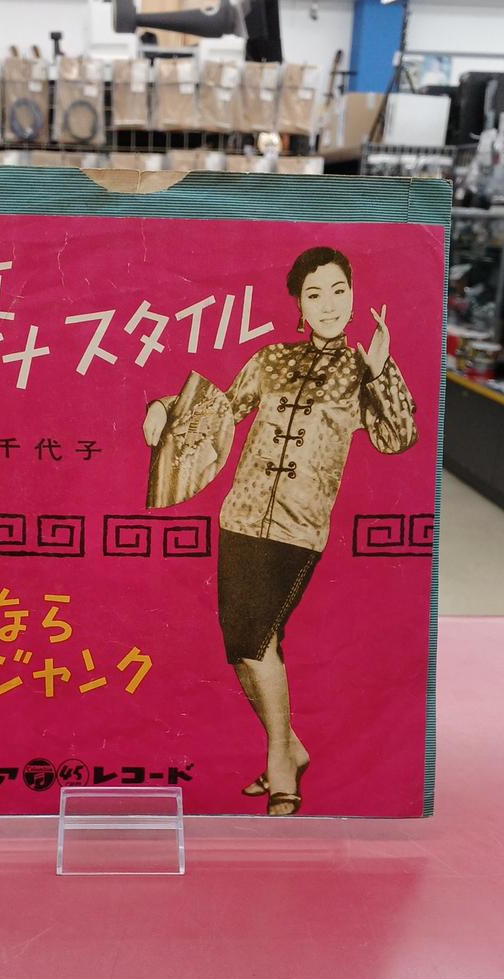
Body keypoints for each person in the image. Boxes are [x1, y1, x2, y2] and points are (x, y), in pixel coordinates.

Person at [143, 246, 417, 815]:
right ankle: (290, 744)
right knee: (240, 648)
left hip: (298, 527)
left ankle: (279, 762)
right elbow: (221, 411)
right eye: (315, 295)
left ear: (354, 297)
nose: (329, 305)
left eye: (338, 291)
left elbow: (398, 437)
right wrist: (163, 406)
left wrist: (381, 369)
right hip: (241, 518)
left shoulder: (361, 373)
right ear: (299, 305)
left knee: (257, 640)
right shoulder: (269, 360)